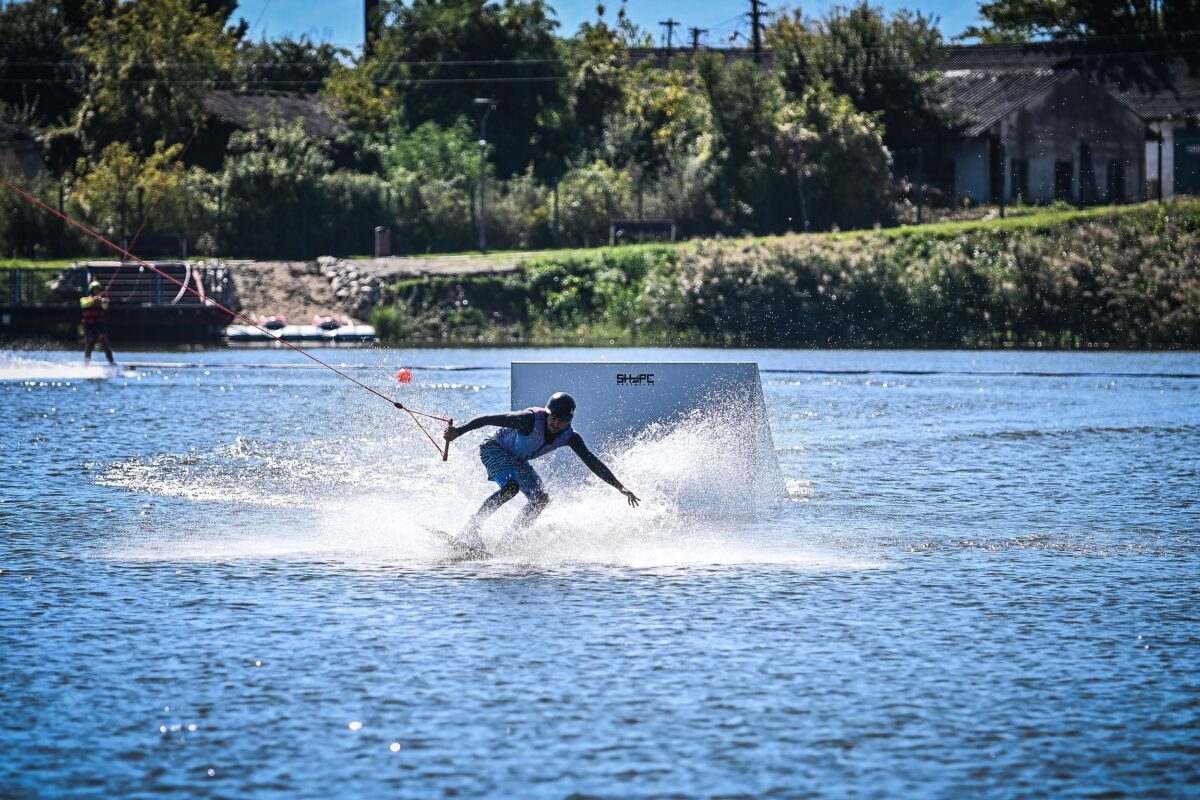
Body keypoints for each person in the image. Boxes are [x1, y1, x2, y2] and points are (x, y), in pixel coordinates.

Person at [443, 391, 640, 549]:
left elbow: (592, 461)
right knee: (511, 488)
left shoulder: (570, 437)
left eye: (562, 421)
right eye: (553, 418)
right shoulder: (527, 420)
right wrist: (458, 431)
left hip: (518, 460)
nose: (556, 424)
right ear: (547, 414)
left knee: (541, 498)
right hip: (494, 449)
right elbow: (485, 419)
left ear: (569, 421)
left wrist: (620, 488)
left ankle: (509, 541)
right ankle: (471, 528)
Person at [80, 280, 115, 366]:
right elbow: (84, 304)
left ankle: (112, 363)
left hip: (100, 326)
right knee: (89, 345)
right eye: (95, 290)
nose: (97, 291)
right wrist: (93, 299)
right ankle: (86, 365)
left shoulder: (102, 300)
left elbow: (105, 307)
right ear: (91, 291)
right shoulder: (84, 299)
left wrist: (104, 302)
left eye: (98, 290)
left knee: (105, 344)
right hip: (89, 326)